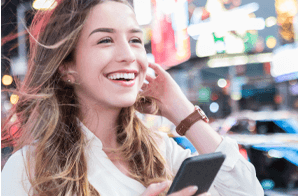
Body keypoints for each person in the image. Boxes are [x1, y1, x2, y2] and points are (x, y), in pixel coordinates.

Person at [0, 0, 264, 195]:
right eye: (105, 40)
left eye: (136, 40)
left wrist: (179, 108)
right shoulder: (28, 170)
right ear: (68, 67)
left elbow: (248, 191)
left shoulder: (162, 152)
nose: (128, 55)